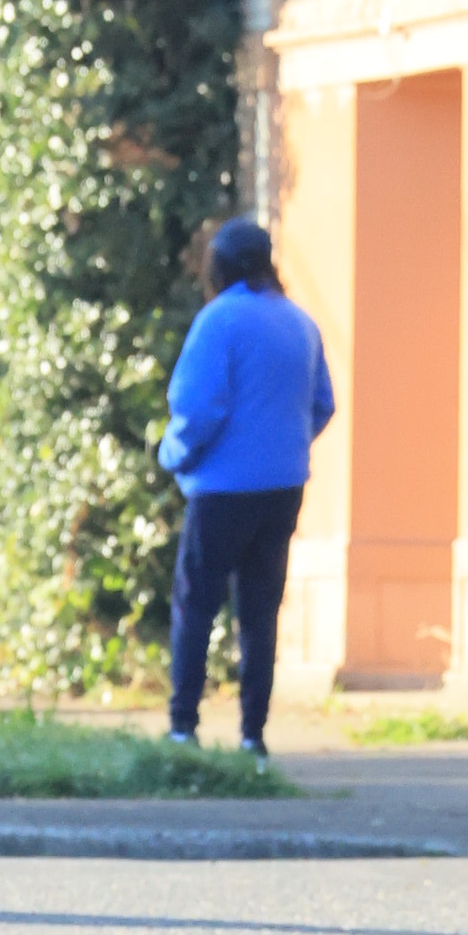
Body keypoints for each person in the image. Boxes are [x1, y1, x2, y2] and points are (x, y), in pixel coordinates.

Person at [158, 217, 335, 758]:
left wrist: (174, 455)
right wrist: (284, 447)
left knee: (196, 604)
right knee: (260, 611)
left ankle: (183, 727)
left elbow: (198, 409)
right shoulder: (301, 323)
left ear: (220, 267)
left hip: (221, 489)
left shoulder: (218, 321)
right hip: (283, 488)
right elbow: (322, 404)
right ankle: (253, 736)